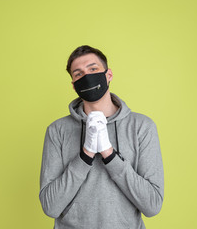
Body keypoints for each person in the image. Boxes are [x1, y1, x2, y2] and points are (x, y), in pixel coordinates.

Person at [39, 45, 164, 229]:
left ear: (109, 75)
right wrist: (85, 155)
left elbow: (152, 205)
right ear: (74, 86)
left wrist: (110, 155)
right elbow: (50, 207)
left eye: (93, 69)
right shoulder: (57, 130)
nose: (87, 77)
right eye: (78, 74)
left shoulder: (142, 127)